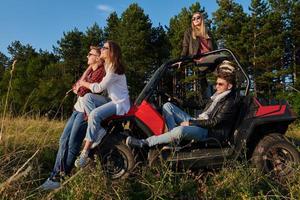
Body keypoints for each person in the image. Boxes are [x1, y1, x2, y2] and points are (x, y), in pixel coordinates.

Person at [40, 46, 107, 190]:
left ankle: (59, 178)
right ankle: (55, 175)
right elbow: (76, 86)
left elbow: (82, 91)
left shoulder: (101, 72)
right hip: (77, 110)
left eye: (90, 54)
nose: (87, 56)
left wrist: (80, 87)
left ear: (97, 58)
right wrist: (81, 82)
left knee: (73, 145)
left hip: (85, 114)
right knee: (63, 140)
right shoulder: (90, 71)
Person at [126, 70, 238, 148]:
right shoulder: (216, 97)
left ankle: (145, 142)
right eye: (216, 83)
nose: (216, 86)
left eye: (220, 84)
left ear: (229, 86)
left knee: (180, 130)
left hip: (209, 131)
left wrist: (190, 123)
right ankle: (174, 140)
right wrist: (178, 101)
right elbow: (200, 104)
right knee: (167, 106)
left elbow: (214, 122)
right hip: (199, 122)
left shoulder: (229, 102)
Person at [75, 40, 130, 168]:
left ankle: (85, 151)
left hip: (119, 103)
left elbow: (98, 88)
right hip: (112, 100)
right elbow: (94, 62)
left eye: (104, 48)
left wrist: (83, 83)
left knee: (94, 114)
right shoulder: (108, 64)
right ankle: (99, 131)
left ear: (111, 52)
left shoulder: (114, 69)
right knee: (87, 97)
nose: (102, 49)